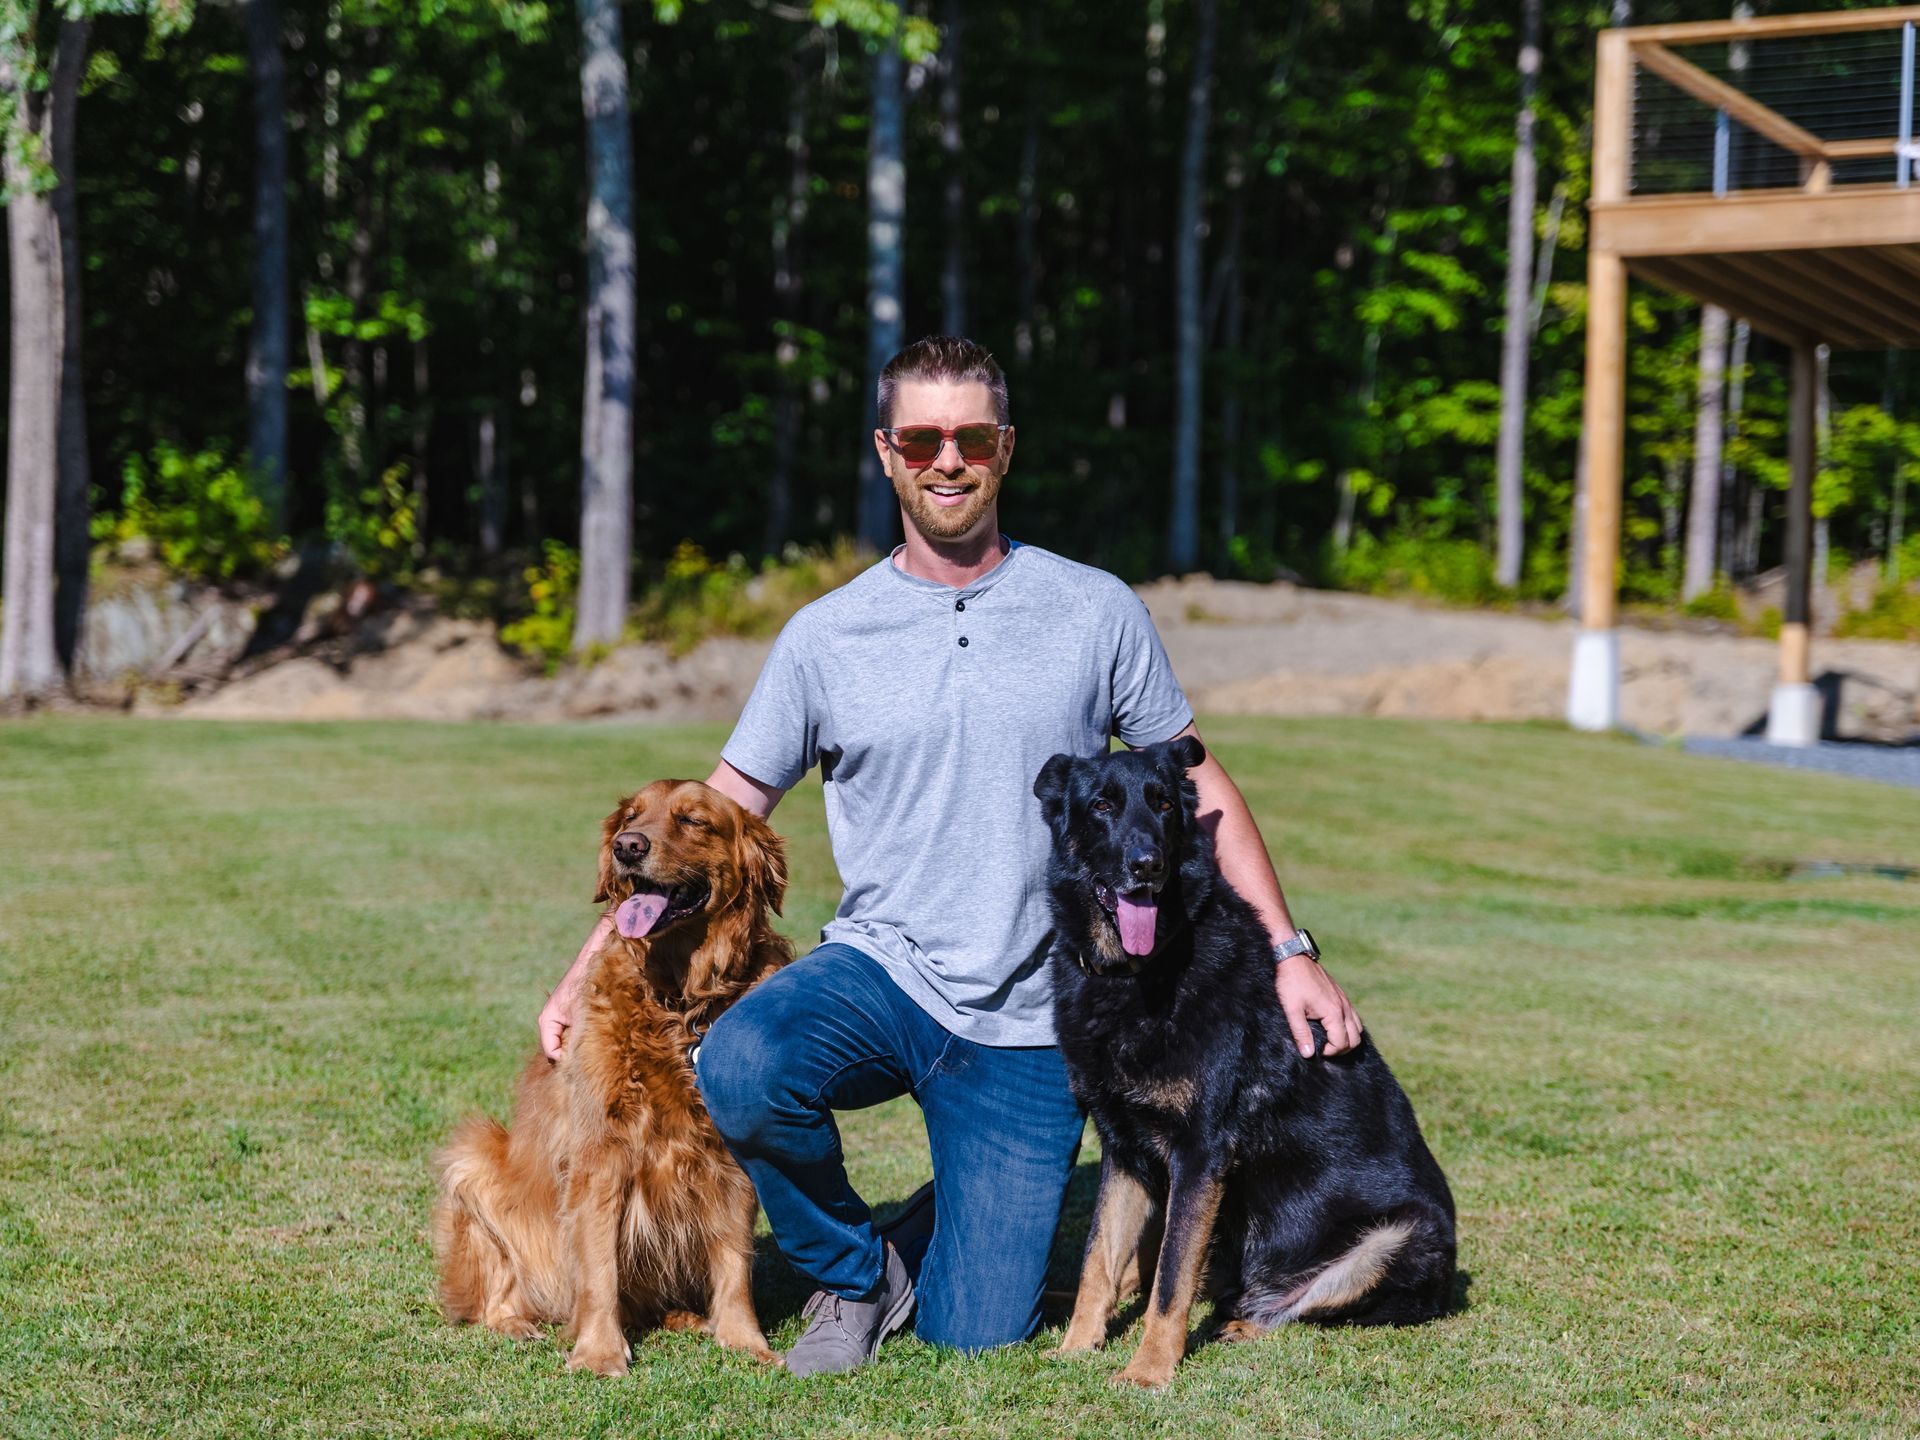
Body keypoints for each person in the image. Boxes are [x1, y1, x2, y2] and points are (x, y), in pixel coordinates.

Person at [535, 335, 1362, 1376]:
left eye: (971, 435)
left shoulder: (1095, 609)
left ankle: (933, 1234)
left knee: (975, 1328)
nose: (947, 458)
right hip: (879, 974)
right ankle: (852, 1271)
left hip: (1030, 1021)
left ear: (1004, 447)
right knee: (743, 1059)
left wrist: (1289, 950)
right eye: (921, 437)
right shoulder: (825, 636)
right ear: (887, 452)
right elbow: (714, 816)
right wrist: (584, 968)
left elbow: (1198, 786)